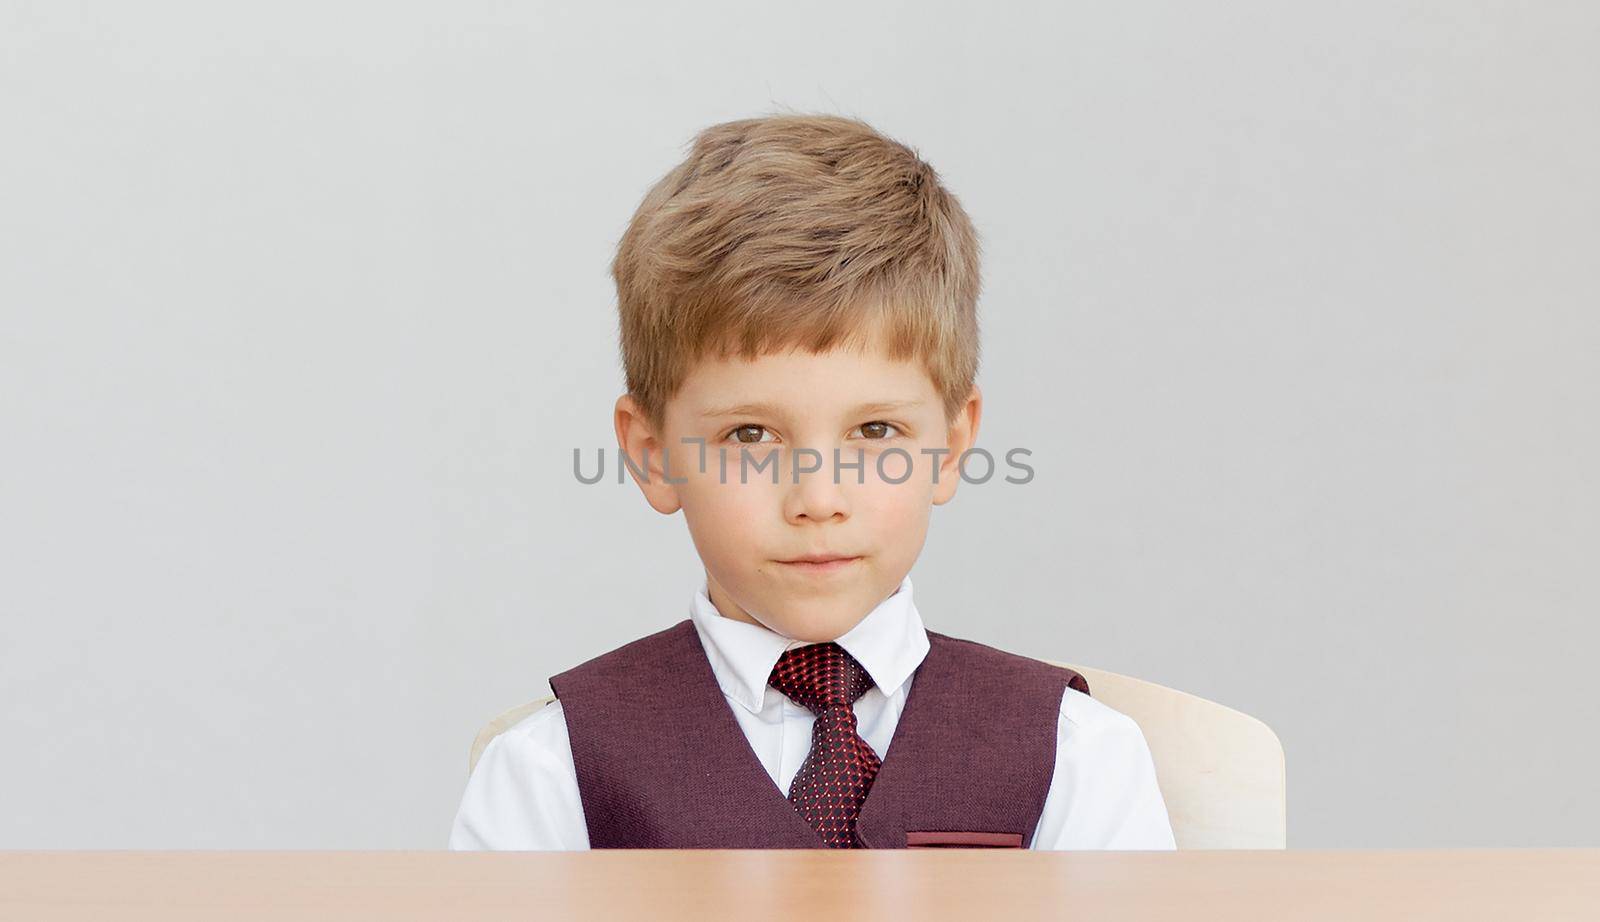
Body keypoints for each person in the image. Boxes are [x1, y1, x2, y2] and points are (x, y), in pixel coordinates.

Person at [449, 113, 1175, 850]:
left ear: (950, 447)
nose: (818, 500)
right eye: (751, 436)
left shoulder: (1077, 758)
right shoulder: (550, 774)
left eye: (875, 432)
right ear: (652, 452)